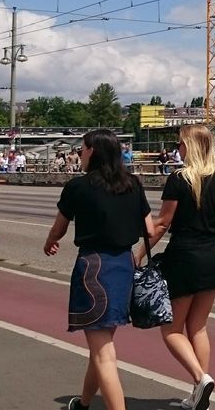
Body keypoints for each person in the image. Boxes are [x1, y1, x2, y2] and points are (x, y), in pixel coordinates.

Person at [44, 129, 153, 410]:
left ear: (92, 150)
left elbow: (59, 227)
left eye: (82, 148)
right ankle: (83, 403)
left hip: (94, 268)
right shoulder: (133, 184)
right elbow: (150, 229)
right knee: (101, 344)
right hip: (124, 266)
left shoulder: (78, 187)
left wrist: (51, 241)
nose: (80, 153)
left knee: (104, 353)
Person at [138, 124, 215, 410]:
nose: (177, 149)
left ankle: (201, 378)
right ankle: (199, 397)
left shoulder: (178, 179)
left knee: (171, 330)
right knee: (198, 328)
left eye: (180, 144)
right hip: (212, 258)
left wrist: (137, 256)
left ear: (191, 147)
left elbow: (162, 224)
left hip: (184, 259)